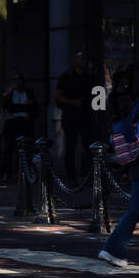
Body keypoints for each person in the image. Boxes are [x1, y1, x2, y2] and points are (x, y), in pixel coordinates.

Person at [100, 65, 139, 267]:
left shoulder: (138, 104)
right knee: (135, 210)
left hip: (137, 163)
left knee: (135, 210)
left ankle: (113, 249)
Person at [54, 51, 95, 183]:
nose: (83, 61)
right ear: (74, 61)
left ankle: (87, 174)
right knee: (70, 147)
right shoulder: (66, 77)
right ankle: (71, 176)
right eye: (80, 58)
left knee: (88, 146)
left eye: (84, 58)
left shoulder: (89, 77)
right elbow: (57, 96)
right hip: (71, 116)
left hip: (86, 116)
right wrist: (74, 102)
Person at [0, 70, 38, 181]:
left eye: (19, 79)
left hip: (25, 123)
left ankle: (22, 172)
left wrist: (20, 108)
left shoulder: (29, 92)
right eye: (15, 80)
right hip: (12, 123)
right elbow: (7, 107)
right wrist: (23, 106)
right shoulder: (9, 94)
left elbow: (34, 109)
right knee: (8, 148)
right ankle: (7, 172)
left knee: (24, 148)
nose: (18, 82)